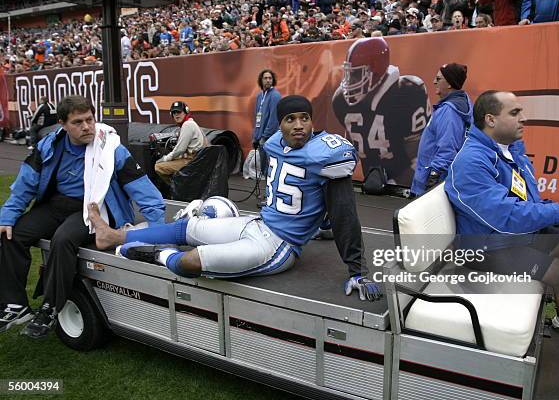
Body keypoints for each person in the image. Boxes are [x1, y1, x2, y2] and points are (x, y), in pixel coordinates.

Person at [88, 95, 382, 302]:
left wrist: (358, 270)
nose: (298, 125)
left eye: (304, 118)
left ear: (312, 121)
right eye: (290, 119)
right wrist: (321, 224)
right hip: (256, 224)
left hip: (278, 246)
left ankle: (156, 254)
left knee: (190, 260)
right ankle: (114, 237)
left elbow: (344, 213)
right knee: (186, 229)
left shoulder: (327, 156)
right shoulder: (276, 142)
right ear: (279, 124)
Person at [445, 90, 559, 372]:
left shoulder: (511, 153)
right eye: (515, 113)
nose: (524, 119)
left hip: (506, 240)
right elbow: (503, 217)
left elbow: (528, 202)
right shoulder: (471, 162)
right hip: (482, 251)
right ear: (491, 119)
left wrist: (556, 212)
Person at [0, 95, 165, 338]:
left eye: (89, 119)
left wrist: (157, 228)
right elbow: (26, 182)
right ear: (62, 124)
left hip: (95, 209)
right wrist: (7, 216)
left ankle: (50, 308)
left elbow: (142, 188)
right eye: (78, 122)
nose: (87, 126)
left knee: (63, 239)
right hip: (57, 205)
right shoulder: (49, 145)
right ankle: (15, 305)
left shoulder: (111, 148)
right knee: (11, 234)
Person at [332, 37, 431, 186]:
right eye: (350, 73)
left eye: (357, 74)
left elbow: (419, 155)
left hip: (404, 186)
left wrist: (397, 183)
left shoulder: (407, 92)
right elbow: (353, 143)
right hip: (371, 181)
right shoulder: (340, 100)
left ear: (376, 70)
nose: (351, 81)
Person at [411, 63, 472, 196]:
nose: (433, 82)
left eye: (438, 79)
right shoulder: (461, 104)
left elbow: (448, 148)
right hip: (442, 182)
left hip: (435, 184)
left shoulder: (449, 111)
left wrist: (433, 178)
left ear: (449, 83)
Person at [154, 101, 208, 184]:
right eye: (174, 112)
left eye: (179, 112)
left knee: (159, 167)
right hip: (196, 160)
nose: (176, 114)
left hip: (192, 161)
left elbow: (180, 150)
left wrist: (165, 158)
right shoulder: (191, 123)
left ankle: (175, 189)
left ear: (186, 112)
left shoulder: (187, 125)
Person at [252, 69, 282, 206]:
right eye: (265, 78)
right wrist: (255, 137)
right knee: (264, 168)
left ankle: (270, 197)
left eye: (270, 78)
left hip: (269, 138)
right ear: (261, 80)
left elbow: (273, 119)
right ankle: (268, 194)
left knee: (270, 168)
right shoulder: (260, 96)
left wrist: (264, 137)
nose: (268, 80)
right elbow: (258, 118)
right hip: (261, 137)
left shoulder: (275, 95)